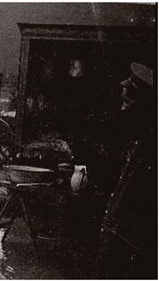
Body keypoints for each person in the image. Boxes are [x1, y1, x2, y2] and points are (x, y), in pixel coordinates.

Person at [95, 62, 156, 279]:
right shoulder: (143, 139)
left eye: (127, 103)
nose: (122, 110)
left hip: (132, 240)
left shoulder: (151, 145)